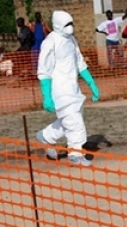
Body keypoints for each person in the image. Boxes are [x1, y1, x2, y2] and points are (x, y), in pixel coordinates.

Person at [35, 10, 100, 167]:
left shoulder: (71, 40)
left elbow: (79, 63)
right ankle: (75, 155)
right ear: (58, 26)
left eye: (71, 24)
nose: (70, 27)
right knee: (75, 124)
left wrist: (92, 84)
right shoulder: (50, 42)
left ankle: (46, 136)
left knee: (68, 122)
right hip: (60, 91)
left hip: (74, 90)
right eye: (67, 24)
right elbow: (44, 71)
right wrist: (47, 96)